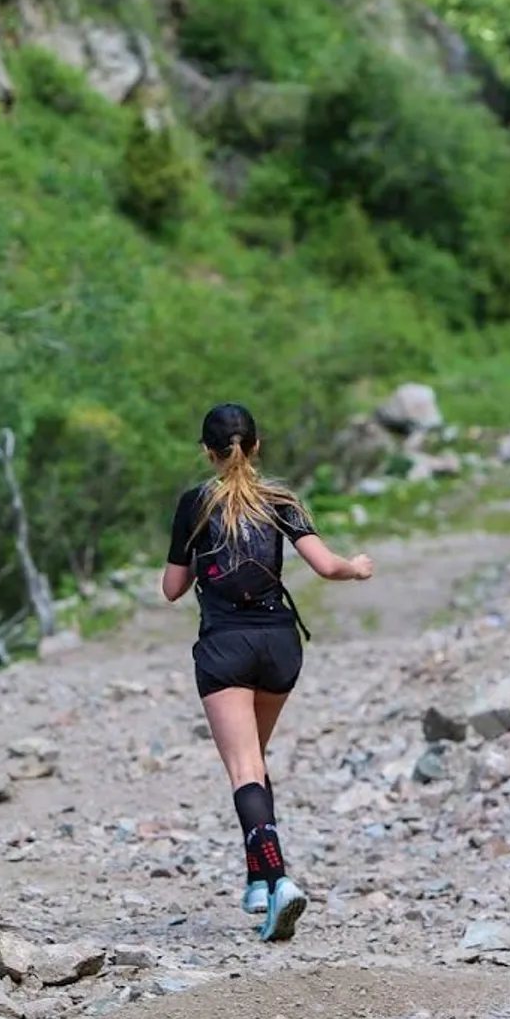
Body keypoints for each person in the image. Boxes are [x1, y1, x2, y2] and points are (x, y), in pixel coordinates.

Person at [161, 403, 374, 943]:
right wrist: (358, 567)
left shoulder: (196, 504)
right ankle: (257, 879)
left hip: (226, 649)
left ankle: (278, 881)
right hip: (280, 646)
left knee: (243, 771)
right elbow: (326, 566)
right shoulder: (281, 500)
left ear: (208, 452)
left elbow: (171, 588)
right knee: (255, 759)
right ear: (256, 446)